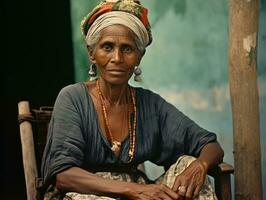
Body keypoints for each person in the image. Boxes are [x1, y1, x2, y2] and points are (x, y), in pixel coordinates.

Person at [41, 0, 224, 199]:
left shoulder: (149, 105)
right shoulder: (73, 98)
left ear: (139, 57)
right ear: (91, 53)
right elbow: (63, 176)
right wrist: (134, 190)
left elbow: (210, 146)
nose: (117, 58)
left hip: (139, 193)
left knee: (190, 166)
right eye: (107, 47)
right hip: (84, 194)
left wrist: (200, 165)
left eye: (127, 49)